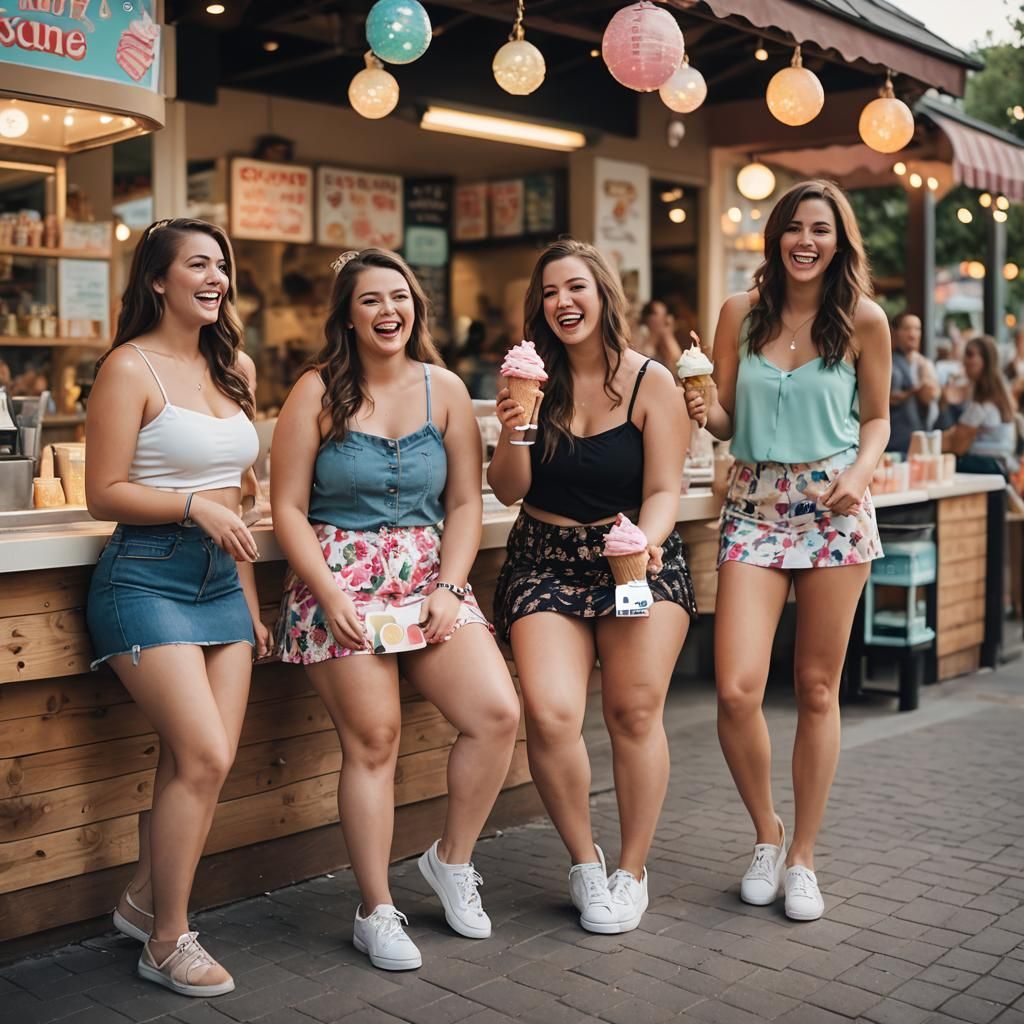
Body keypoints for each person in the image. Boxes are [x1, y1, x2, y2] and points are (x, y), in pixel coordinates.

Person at [270, 248, 520, 971]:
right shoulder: (314, 391)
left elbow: (467, 501)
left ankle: (450, 860)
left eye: (400, 298)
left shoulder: (444, 389)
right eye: (372, 301)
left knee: (497, 715)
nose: (389, 312)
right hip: (338, 583)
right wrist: (326, 591)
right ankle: (376, 909)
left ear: (418, 308)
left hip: (429, 581)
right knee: (374, 740)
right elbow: (286, 507)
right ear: (347, 317)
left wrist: (450, 586)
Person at [685, 180, 890, 922]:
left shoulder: (864, 320)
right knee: (738, 687)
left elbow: (876, 419)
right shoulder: (740, 313)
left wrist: (860, 477)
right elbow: (723, 418)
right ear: (775, 237)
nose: (806, 240)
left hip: (835, 512)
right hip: (753, 507)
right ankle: (766, 834)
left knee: (815, 688)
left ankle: (803, 855)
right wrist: (698, 403)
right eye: (794, 228)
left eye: (821, 230)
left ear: (839, 242)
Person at [489, 238, 696, 934]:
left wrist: (649, 539)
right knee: (549, 713)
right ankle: (586, 863)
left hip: (630, 562)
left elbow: (666, 486)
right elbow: (509, 491)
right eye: (548, 293)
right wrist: (513, 432)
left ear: (603, 294)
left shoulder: (650, 382)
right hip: (543, 557)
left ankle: (632, 869)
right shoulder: (531, 383)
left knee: (634, 712)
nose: (561, 303)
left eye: (574, 287)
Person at [85, 219, 269, 996]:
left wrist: (252, 601)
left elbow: (241, 500)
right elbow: (104, 493)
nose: (216, 276)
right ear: (158, 280)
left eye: (221, 265)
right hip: (145, 578)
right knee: (205, 755)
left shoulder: (237, 369)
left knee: (194, 766)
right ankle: (168, 940)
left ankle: (138, 901)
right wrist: (192, 504)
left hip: (222, 587)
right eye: (198, 264)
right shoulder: (128, 368)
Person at [943, 334, 1017, 476]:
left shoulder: (984, 402)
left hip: (988, 469)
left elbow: (958, 446)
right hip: (1000, 469)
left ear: (986, 361)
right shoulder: (1000, 394)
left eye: (970, 355)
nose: (965, 361)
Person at [887, 311, 939, 451]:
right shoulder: (888, 362)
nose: (912, 334)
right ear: (895, 332)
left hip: (921, 439)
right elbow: (885, 398)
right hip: (894, 442)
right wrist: (915, 390)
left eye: (917, 329)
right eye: (907, 328)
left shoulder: (925, 364)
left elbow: (931, 396)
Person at [635, 299, 684, 369]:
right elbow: (644, 356)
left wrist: (668, 335)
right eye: (660, 315)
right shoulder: (640, 335)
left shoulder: (663, 340)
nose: (664, 319)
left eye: (665, 315)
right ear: (648, 318)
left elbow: (678, 361)